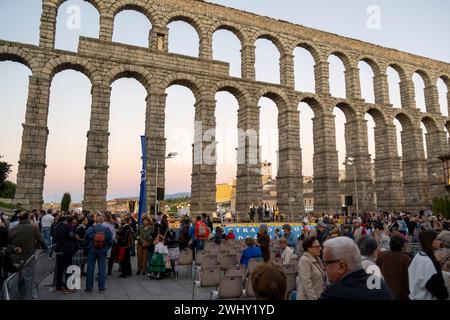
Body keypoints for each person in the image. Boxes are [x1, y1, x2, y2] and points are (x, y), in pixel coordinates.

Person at [320, 237, 394, 300]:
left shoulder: (333, 294)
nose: (324, 268)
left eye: (326, 263)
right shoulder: (378, 283)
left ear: (341, 266)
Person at [8, 211, 48, 299]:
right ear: (28, 218)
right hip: (28, 258)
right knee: (29, 280)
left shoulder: (12, 230)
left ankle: (19, 296)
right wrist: (46, 249)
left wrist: (14, 248)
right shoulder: (33, 228)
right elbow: (41, 241)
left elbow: (6, 244)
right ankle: (28, 297)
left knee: (17, 279)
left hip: (15, 258)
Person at [408, 229, 448, 300]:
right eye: (437, 239)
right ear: (431, 242)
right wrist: (445, 294)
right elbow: (438, 289)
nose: (440, 242)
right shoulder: (430, 262)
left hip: (414, 295)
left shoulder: (418, 256)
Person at [376, 235, 411, 300]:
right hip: (400, 295)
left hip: (385, 292)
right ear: (402, 246)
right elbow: (409, 279)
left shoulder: (382, 255)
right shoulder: (405, 259)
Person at [84, 213, 113, 292]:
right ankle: (101, 287)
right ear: (102, 220)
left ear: (95, 220)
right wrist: (106, 248)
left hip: (92, 250)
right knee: (102, 269)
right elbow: (110, 241)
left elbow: (85, 239)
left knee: (90, 269)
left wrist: (88, 247)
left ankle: (89, 287)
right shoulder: (107, 229)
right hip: (102, 251)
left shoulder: (90, 228)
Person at [53, 216, 77, 293]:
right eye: (73, 223)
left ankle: (59, 286)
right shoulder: (69, 227)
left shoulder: (58, 226)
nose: (74, 225)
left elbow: (54, 236)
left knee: (60, 269)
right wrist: (75, 236)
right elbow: (71, 236)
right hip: (67, 250)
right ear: (70, 222)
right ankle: (67, 287)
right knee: (68, 268)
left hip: (59, 249)